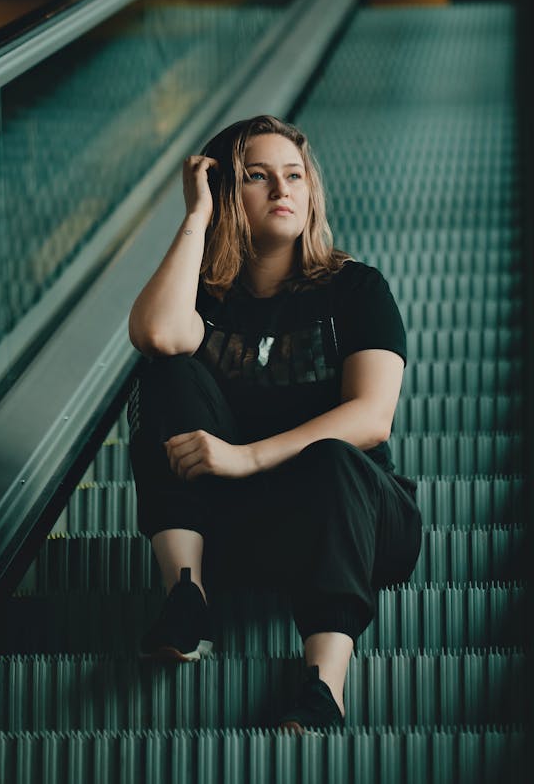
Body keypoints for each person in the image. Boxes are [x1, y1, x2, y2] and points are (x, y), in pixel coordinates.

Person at [126, 114, 422, 732]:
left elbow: (371, 419)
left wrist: (247, 456)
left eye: (294, 176)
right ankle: (187, 594)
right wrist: (196, 218)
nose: (282, 190)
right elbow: (156, 333)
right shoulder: (204, 298)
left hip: (359, 520)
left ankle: (323, 688)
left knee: (335, 455)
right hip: (242, 524)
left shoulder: (355, 289)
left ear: (310, 191)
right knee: (167, 370)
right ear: (231, 195)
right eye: (257, 177)